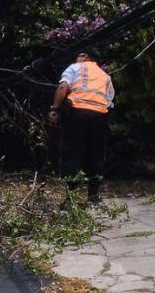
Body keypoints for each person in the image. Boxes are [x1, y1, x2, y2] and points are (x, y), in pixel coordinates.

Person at [49, 48, 115, 204]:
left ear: (85, 57)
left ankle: (70, 197)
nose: (75, 58)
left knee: (72, 152)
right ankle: (94, 196)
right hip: (99, 115)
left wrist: (55, 109)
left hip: (76, 113)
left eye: (78, 56)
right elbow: (110, 101)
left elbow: (63, 87)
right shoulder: (105, 76)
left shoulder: (75, 67)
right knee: (96, 154)